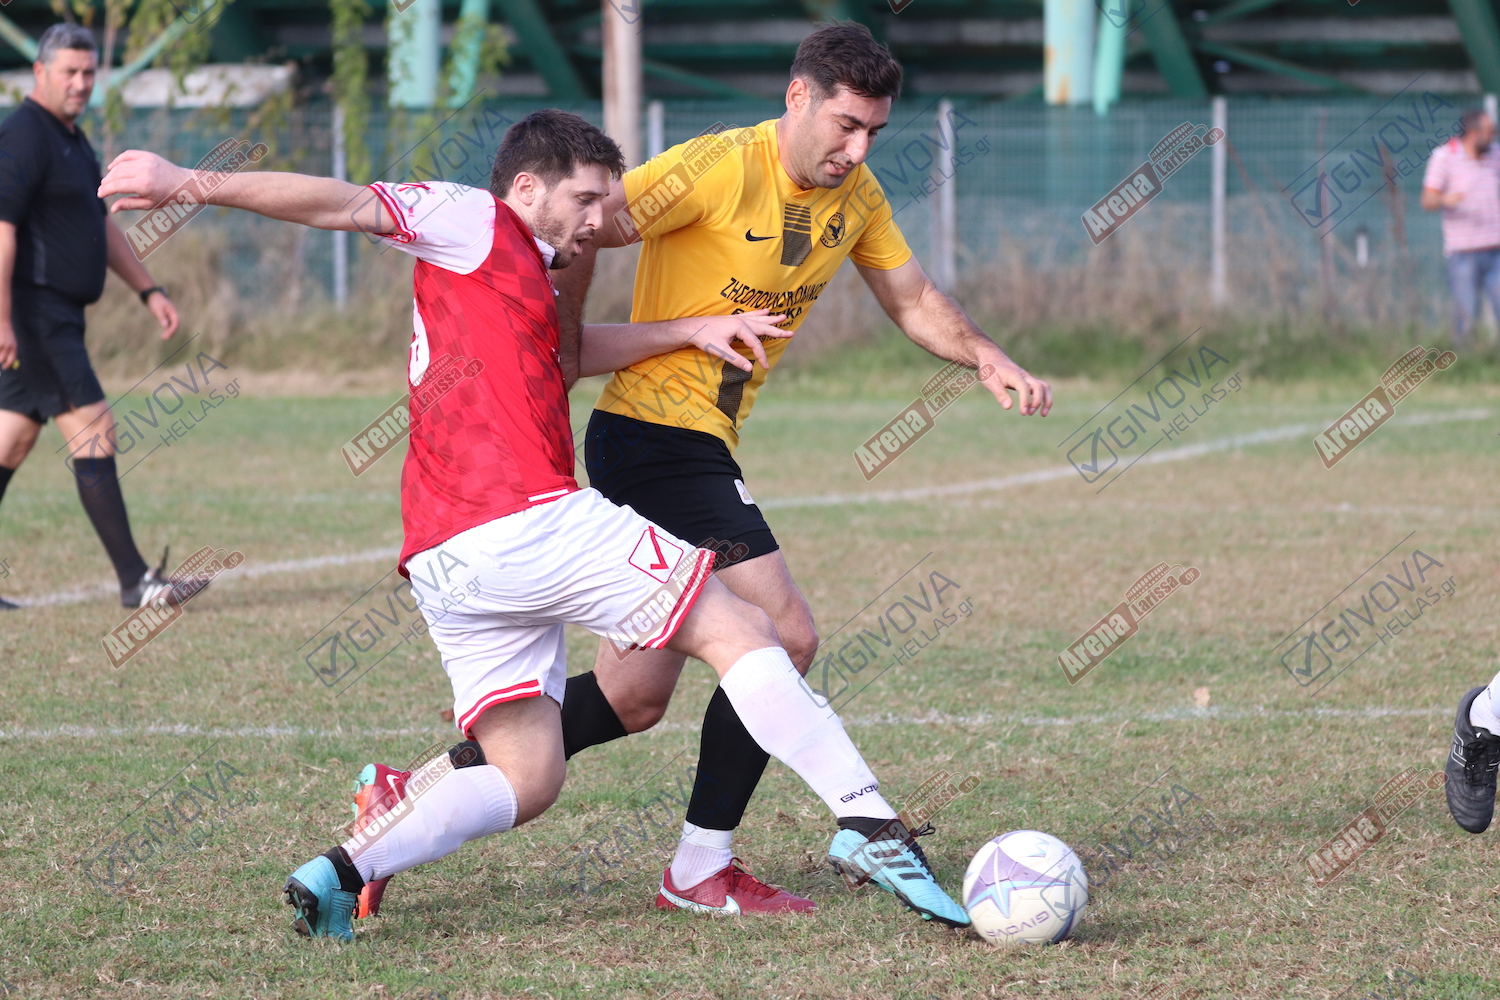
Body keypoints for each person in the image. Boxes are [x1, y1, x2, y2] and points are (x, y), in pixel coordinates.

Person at [98, 109, 972, 941]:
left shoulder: (515, 266)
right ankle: (867, 823)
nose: (600, 220)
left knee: (530, 774)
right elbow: (341, 203)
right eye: (585, 199)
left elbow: (568, 356)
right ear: (525, 187)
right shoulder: (471, 218)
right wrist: (189, 182)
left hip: (446, 557)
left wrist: (691, 329)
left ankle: (337, 870)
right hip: (524, 520)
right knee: (746, 628)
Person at [549, 22, 1052, 916]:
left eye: (875, 133)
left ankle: (418, 793)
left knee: (630, 699)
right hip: (656, 438)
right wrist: (561, 345)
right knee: (785, 634)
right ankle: (701, 866)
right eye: (846, 126)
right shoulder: (717, 166)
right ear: (798, 98)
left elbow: (912, 297)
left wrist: (983, 353)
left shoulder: (857, 197)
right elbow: (584, 225)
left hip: (688, 444)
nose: (858, 150)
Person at [0, 23, 183, 611]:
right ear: (40, 73)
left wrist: (148, 290)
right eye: (69, 72)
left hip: (59, 316)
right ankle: (135, 581)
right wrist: (2, 320)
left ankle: (135, 580)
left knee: (11, 442)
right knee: (95, 430)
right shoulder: (23, 135)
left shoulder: (72, 141)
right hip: (35, 317)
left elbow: (99, 226)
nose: (81, 83)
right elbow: (1, 230)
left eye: (88, 72)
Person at [1421, 108, 1500, 351]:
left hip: (1496, 249)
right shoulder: (1445, 157)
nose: (1493, 137)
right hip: (1463, 253)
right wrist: (1446, 199)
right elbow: (1427, 200)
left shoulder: (1496, 155)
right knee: (1466, 316)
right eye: (1490, 131)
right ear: (1473, 132)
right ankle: (1465, 364)